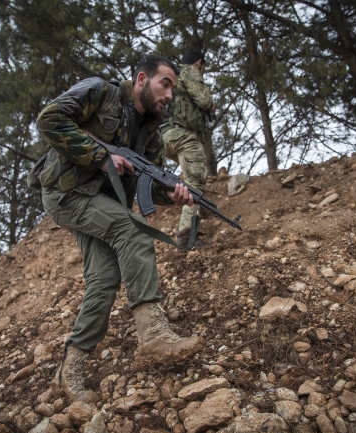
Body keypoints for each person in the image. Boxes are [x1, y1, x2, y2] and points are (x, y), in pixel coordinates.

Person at [35, 55, 202, 404]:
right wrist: (99, 154)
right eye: (165, 84)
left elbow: (148, 181)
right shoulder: (101, 92)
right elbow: (49, 119)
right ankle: (153, 334)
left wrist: (172, 192)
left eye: (172, 88)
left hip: (102, 202)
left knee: (104, 278)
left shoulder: (151, 132)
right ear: (142, 79)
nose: (170, 95)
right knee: (134, 230)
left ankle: (71, 368)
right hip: (66, 192)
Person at [161, 48, 215, 247]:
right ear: (199, 62)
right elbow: (203, 100)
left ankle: (197, 208)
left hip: (165, 136)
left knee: (193, 172)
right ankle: (186, 234)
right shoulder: (190, 71)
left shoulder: (174, 77)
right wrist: (209, 101)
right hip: (181, 134)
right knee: (196, 177)